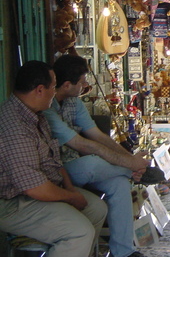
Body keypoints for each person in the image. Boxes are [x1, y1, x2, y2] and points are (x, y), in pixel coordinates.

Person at [43, 54, 155, 257]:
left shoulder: (74, 103)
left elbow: (98, 136)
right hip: (59, 171)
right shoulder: (47, 110)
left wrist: (130, 159)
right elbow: (82, 144)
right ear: (67, 85)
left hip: (79, 165)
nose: (86, 85)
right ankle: (135, 172)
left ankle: (123, 251)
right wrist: (131, 165)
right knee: (93, 163)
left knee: (119, 184)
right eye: (82, 82)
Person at [0, 60, 108, 257]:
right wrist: (70, 197)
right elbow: (34, 187)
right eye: (53, 86)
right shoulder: (15, 127)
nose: (54, 92)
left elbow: (54, 162)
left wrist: (70, 189)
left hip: (41, 191)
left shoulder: (37, 116)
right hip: (13, 203)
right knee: (79, 233)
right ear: (40, 90)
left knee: (97, 209)